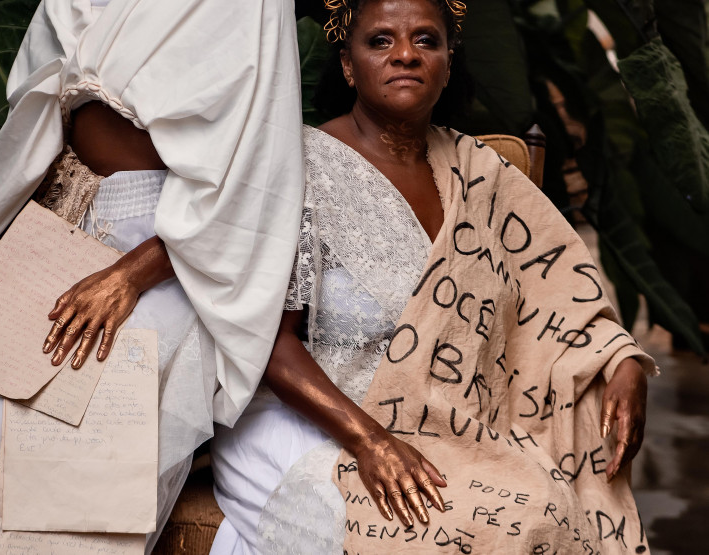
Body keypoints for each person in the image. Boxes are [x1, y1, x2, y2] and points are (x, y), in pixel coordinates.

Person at [0, 0, 304, 552]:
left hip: (179, 254)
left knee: (64, 470)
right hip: (68, 221)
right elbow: (38, 152)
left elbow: (255, 178)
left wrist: (130, 276)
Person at [210, 0, 654, 553]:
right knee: (446, 530)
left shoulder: (481, 175)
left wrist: (622, 360)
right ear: (348, 64)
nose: (405, 55)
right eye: (380, 41)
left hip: (455, 423)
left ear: (448, 62)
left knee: (547, 508)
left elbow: (560, 288)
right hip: (317, 419)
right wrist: (372, 442)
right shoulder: (302, 168)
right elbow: (269, 343)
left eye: (426, 40)